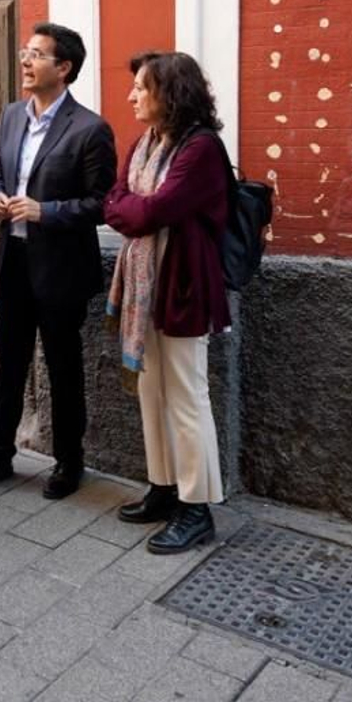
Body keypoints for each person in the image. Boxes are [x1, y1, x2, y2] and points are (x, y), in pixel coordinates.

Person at [0, 23, 116, 500]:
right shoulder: (12, 116)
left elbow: (103, 203)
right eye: (25, 52)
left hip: (62, 268)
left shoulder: (90, 129)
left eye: (37, 55)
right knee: (8, 363)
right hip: (15, 260)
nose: (25, 61)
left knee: (64, 367)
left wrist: (46, 211)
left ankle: (69, 462)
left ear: (63, 68)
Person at [103, 51, 231, 554]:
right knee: (151, 392)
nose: (132, 95)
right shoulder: (144, 144)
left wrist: (132, 210)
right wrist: (132, 210)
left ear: (170, 93)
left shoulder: (200, 149)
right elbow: (115, 201)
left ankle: (197, 507)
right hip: (144, 284)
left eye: (141, 87)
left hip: (182, 286)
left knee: (185, 395)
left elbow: (149, 211)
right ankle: (163, 487)